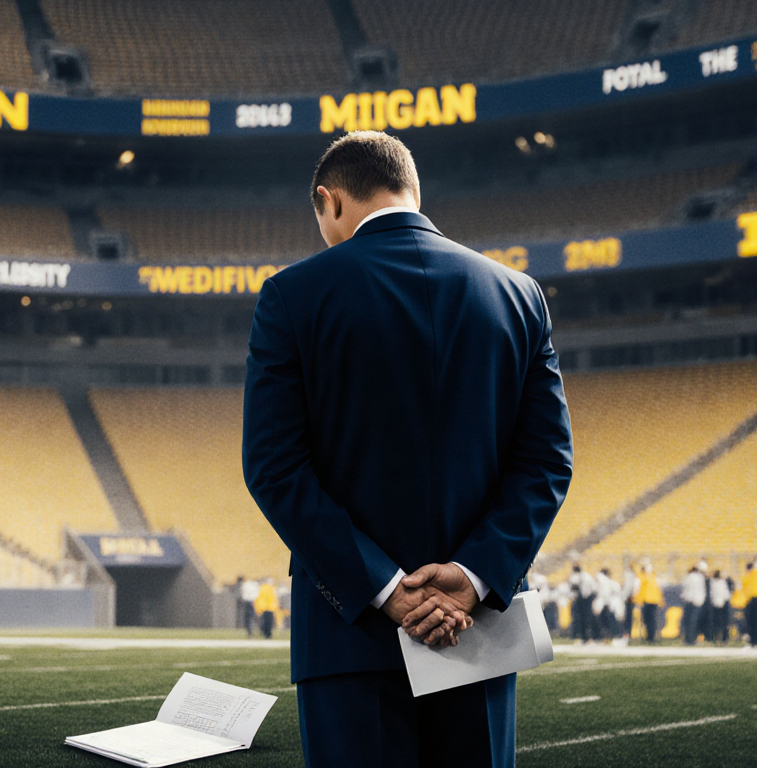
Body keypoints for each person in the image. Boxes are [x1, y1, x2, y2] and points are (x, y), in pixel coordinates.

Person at [242, 131, 573, 767]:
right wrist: (472, 580)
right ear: (413, 191)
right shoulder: (520, 296)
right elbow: (547, 460)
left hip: (350, 638)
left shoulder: (291, 295)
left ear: (328, 201)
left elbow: (275, 466)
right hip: (479, 634)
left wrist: (387, 588)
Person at [680, 565, 707, 645]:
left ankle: (687, 639)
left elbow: (684, 588)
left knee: (687, 622)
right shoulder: (700, 578)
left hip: (688, 600)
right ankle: (692, 639)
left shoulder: (687, 577)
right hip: (697, 601)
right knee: (694, 622)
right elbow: (701, 590)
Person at [636, 564, 663, 643]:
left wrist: (638, 601)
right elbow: (659, 589)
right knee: (653, 620)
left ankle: (650, 637)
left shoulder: (641, 577)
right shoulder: (654, 577)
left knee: (647, 620)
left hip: (646, 600)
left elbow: (637, 589)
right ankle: (651, 636)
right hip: (654, 601)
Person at [594, 568, 620, 642]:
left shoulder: (612, 584)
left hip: (609, 605)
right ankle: (606, 637)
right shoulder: (610, 584)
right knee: (604, 623)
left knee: (610, 622)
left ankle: (613, 637)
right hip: (606, 605)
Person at [708, 569, 731, 644]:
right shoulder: (722, 582)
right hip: (723, 604)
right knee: (724, 623)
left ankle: (715, 637)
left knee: (715, 623)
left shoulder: (712, 583)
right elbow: (726, 594)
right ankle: (724, 638)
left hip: (714, 604)